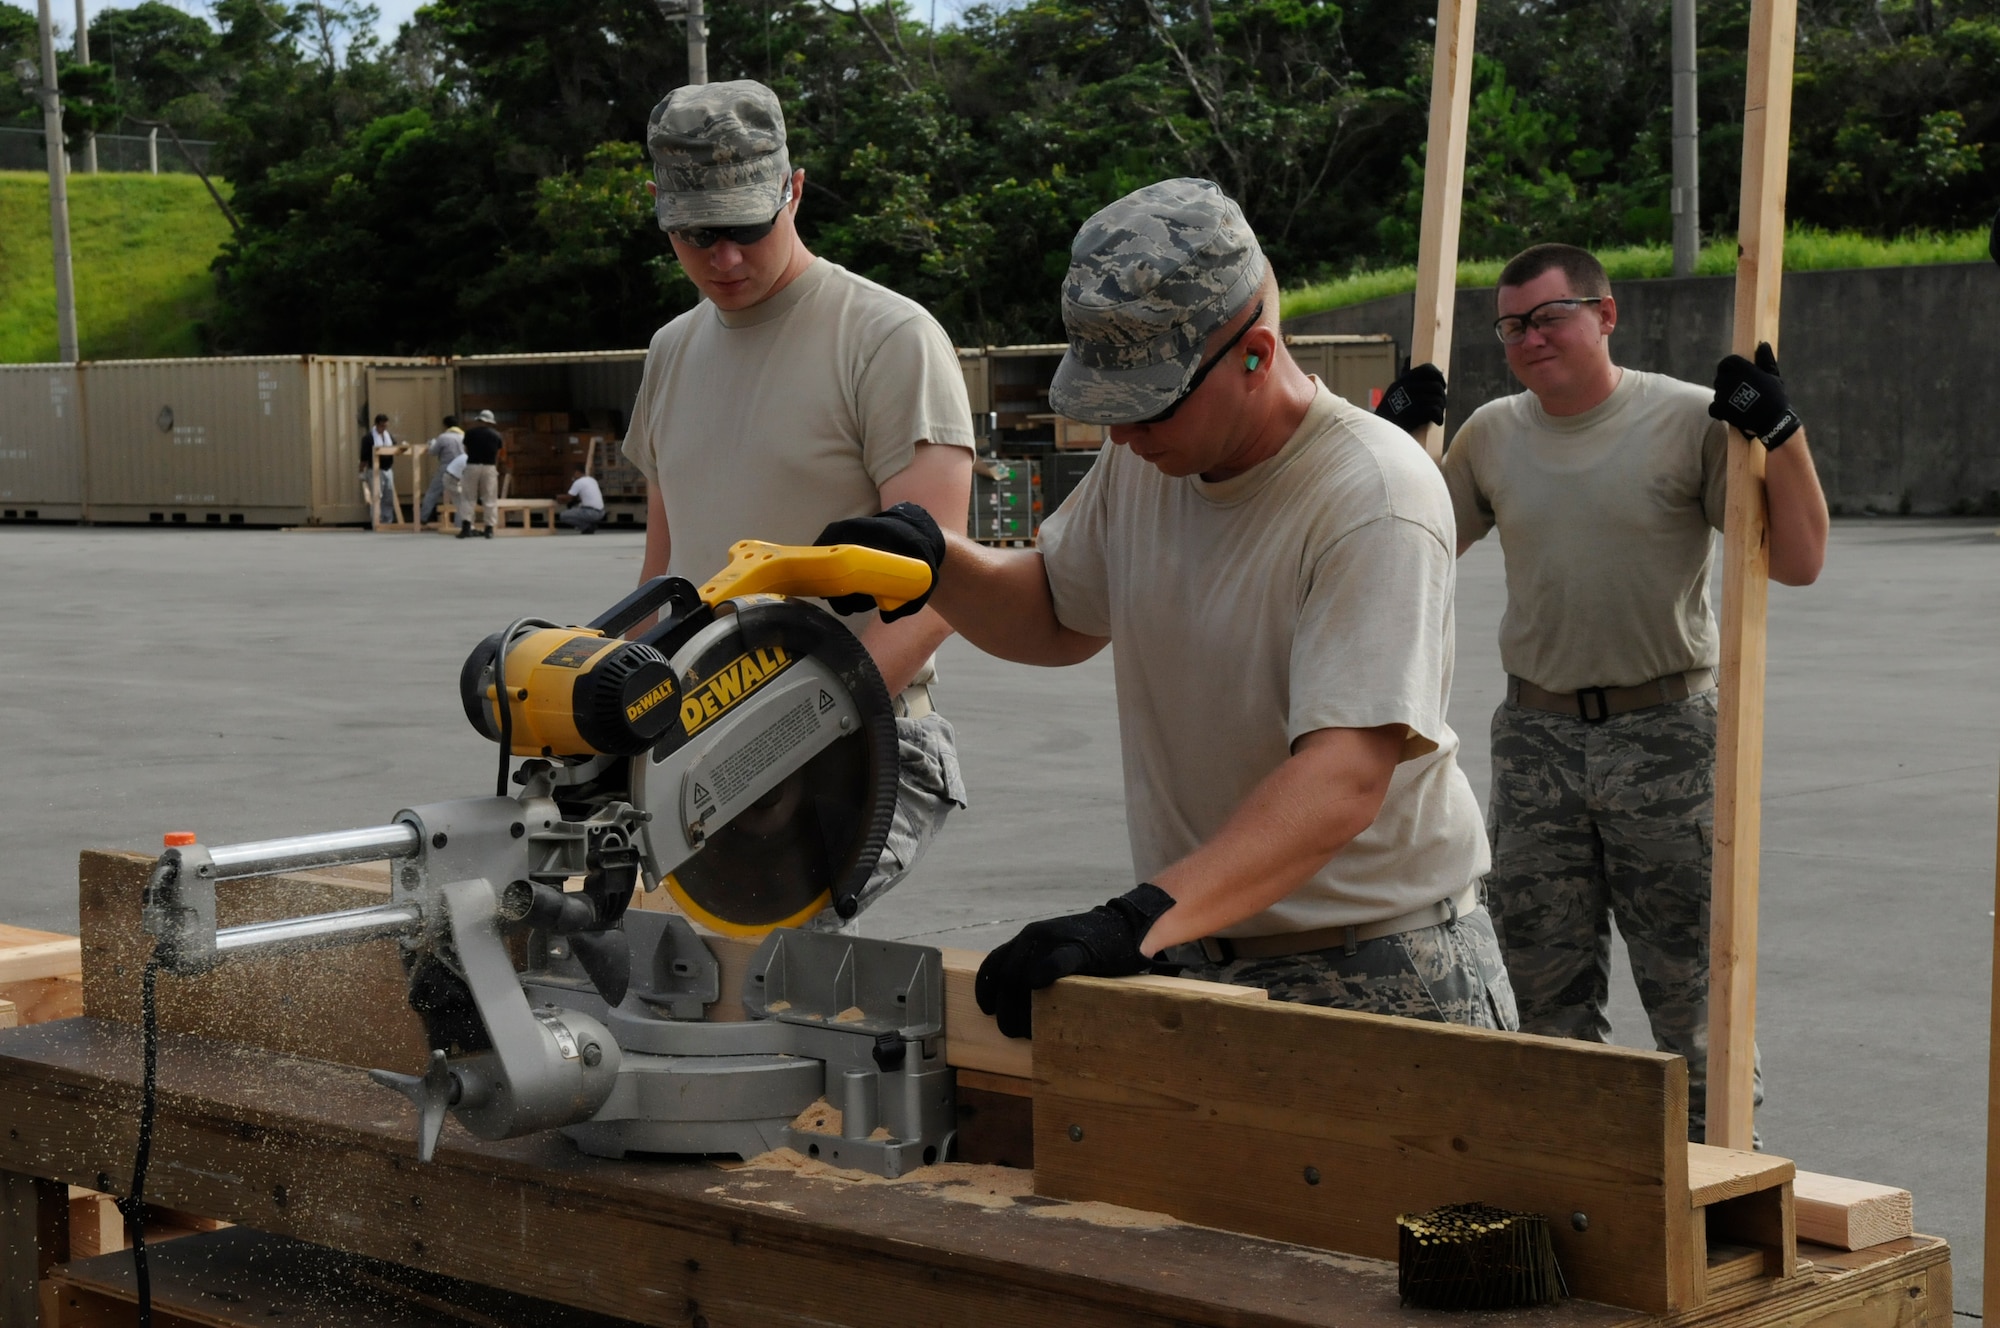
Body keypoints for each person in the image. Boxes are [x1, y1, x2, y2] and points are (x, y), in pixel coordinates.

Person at [820, 178, 1515, 1039]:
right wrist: (935, 561)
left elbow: (1344, 778)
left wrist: (1136, 920)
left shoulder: (1372, 495)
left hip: (1376, 969)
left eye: (1145, 408)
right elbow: (1060, 613)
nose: (1121, 437)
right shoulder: (1154, 460)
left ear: (1256, 355)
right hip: (1198, 940)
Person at [1422, 242, 1828, 1141]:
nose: (1529, 338)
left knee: (1694, 979)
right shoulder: (1491, 433)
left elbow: (1796, 560)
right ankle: (1579, 1174)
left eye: (1550, 316)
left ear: (1604, 315)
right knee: (1541, 978)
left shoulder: (1692, 421)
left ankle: (1719, 1172)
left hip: (1668, 735)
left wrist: (1782, 435)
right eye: (1512, 325)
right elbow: (1407, 546)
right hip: (1536, 739)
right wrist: (1396, 441)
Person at [623, 79, 975, 929]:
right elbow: (663, 580)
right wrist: (608, 708)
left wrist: (784, 737)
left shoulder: (887, 339)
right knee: (587, 940)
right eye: (697, 234)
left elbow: (938, 588)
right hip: (695, 743)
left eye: (748, 227)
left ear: (795, 190)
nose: (726, 258)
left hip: (862, 733)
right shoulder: (672, 351)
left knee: (747, 978)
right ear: (661, 212)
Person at [459, 409, 504, 539]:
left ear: (478, 420)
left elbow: (466, 450)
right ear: (490, 422)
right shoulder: (496, 435)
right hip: (489, 467)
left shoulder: (470, 433)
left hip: (472, 465)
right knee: (489, 498)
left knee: (468, 497)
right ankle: (489, 529)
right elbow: (498, 454)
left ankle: (466, 527)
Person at [421, 415, 465, 527]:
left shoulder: (443, 437)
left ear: (445, 425)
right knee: (459, 495)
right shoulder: (463, 436)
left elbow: (432, 452)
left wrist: (431, 444)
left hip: (446, 467)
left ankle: (423, 517)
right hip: (461, 467)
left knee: (432, 492)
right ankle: (459, 523)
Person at [360, 413, 398, 524]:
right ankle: (377, 521)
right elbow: (364, 456)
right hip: (375, 469)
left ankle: (388, 520)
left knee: (388, 495)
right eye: (382, 426)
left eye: (385, 426)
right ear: (376, 425)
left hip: (387, 469)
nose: (383, 429)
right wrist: (361, 470)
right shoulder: (368, 438)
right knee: (377, 496)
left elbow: (394, 447)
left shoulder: (388, 436)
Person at [556, 464, 605, 534]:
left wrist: (557, 497)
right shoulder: (592, 480)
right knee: (578, 507)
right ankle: (590, 525)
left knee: (563, 516)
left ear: (578, 473)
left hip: (591, 513)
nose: (573, 476)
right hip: (601, 512)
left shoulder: (578, 482)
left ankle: (586, 526)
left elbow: (569, 497)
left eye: (574, 473)